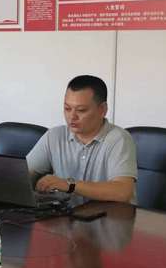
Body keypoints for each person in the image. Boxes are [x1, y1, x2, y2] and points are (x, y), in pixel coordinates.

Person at [26, 75, 137, 204]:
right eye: (67, 108)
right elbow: (23, 174)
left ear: (102, 110)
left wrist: (69, 185)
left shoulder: (119, 139)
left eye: (81, 110)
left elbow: (122, 191)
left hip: (109, 215)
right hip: (66, 215)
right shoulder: (54, 136)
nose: (72, 116)